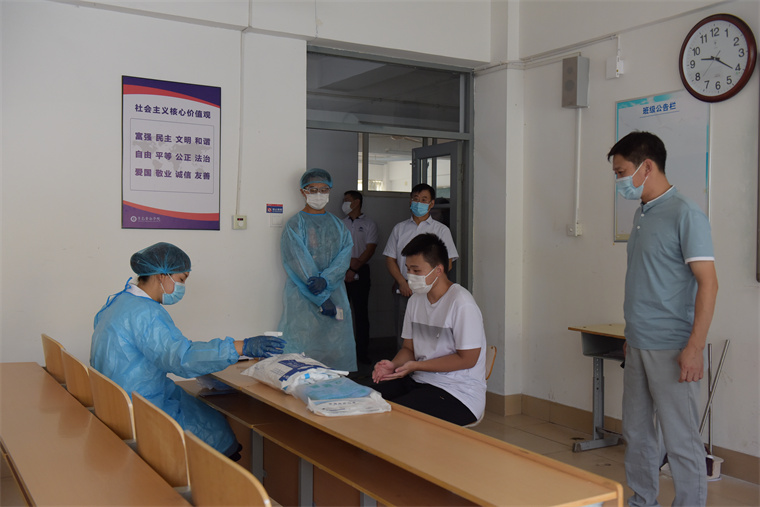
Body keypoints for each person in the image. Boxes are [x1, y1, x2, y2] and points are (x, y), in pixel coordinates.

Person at [90, 242, 285, 459]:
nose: (182, 287)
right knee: (216, 431)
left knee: (206, 412)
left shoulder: (120, 301)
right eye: (181, 279)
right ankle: (224, 475)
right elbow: (181, 358)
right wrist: (241, 347)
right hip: (141, 407)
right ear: (161, 276)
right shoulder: (146, 313)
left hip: (118, 401)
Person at [608, 131, 718, 507]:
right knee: (637, 433)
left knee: (680, 438)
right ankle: (643, 501)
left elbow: (709, 283)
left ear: (647, 167)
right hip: (639, 342)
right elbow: (647, 281)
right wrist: (631, 334)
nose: (619, 181)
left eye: (621, 172)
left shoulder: (686, 213)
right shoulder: (642, 212)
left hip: (673, 346)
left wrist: (694, 348)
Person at [371, 233, 486, 426]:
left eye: (416, 270)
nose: (410, 276)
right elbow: (409, 349)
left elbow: (468, 359)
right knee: (366, 399)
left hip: (458, 393)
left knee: (393, 418)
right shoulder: (416, 300)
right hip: (420, 381)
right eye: (408, 269)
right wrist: (393, 365)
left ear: (438, 270)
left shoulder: (462, 303)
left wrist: (416, 366)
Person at [278, 168, 357, 372]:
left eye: (323, 189)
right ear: (303, 191)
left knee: (334, 348)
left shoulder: (338, 226)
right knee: (301, 351)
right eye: (313, 190)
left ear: (330, 190)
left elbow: (343, 259)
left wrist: (326, 280)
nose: (319, 194)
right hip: (302, 299)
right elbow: (298, 264)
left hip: (335, 294)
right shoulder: (295, 225)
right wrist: (321, 297)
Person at [383, 183, 458, 347]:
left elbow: (448, 263)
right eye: (415, 199)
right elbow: (390, 259)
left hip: (431, 290)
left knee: (430, 332)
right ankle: (404, 363)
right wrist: (402, 282)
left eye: (424, 199)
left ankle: (426, 362)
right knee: (404, 332)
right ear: (410, 201)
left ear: (431, 203)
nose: (419, 203)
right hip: (405, 289)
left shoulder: (441, 230)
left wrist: (430, 284)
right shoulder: (400, 229)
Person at [342, 190, 379, 365]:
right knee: (341, 314)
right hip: (341, 272)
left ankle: (361, 354)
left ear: (356, 202)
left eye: (347, 200)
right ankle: (342, 352)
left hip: (361, 272)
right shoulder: (341, 224)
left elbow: (370, 249)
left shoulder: (369, 224)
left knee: (361, 314)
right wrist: (346, 268)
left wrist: (354, 267)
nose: (344, 203)